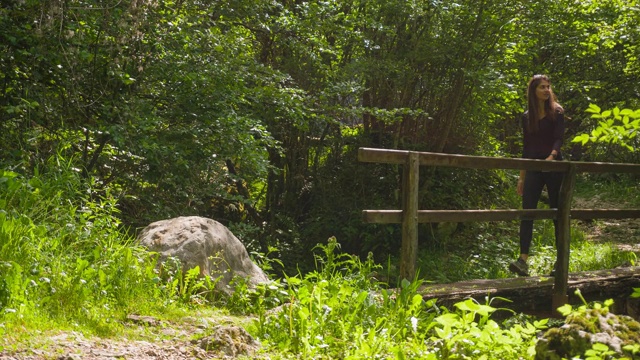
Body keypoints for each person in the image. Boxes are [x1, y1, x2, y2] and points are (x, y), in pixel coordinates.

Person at [509, 74, 565, 277]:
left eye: (548, 87)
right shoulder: (527, 117)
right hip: (533, 166)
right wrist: (522, 176)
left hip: (554, 167)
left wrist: (551, 157)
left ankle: (561, 261)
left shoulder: (557, 112)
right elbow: (527, 147)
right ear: (533, 91)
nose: (546, 90)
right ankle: (522, 260)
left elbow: (559, 139)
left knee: (557, 212)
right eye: (542, 87)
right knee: (527, 211)